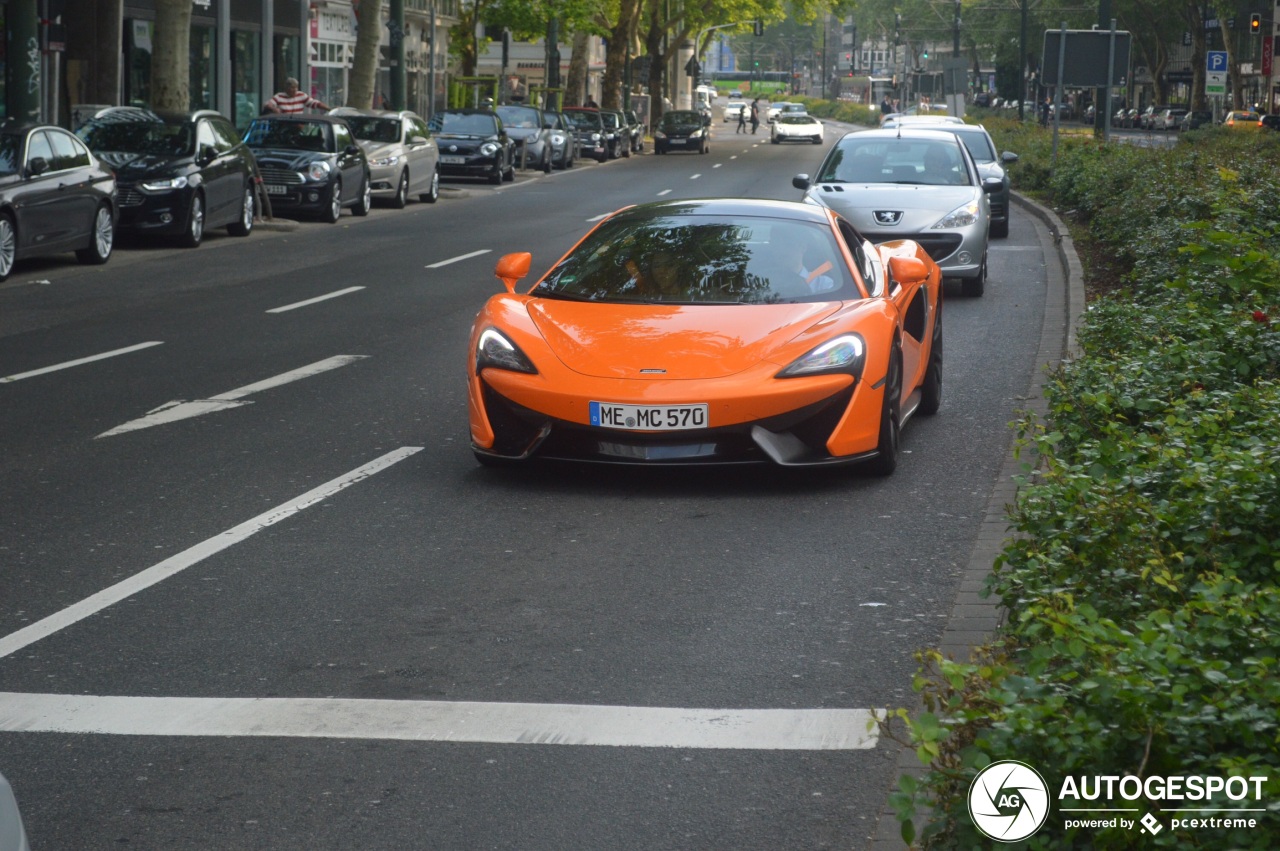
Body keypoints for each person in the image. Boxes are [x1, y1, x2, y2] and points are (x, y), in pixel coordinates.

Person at [263, 77, 330, 114]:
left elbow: (314, 103)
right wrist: (274, 109)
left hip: (298, 125)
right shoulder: (279, 96)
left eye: (296, 87)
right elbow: (267, 104)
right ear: (287, 88)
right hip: (284, 125)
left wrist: (328, 108)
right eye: (292, 88)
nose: (295, 90)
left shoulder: (301, 95)